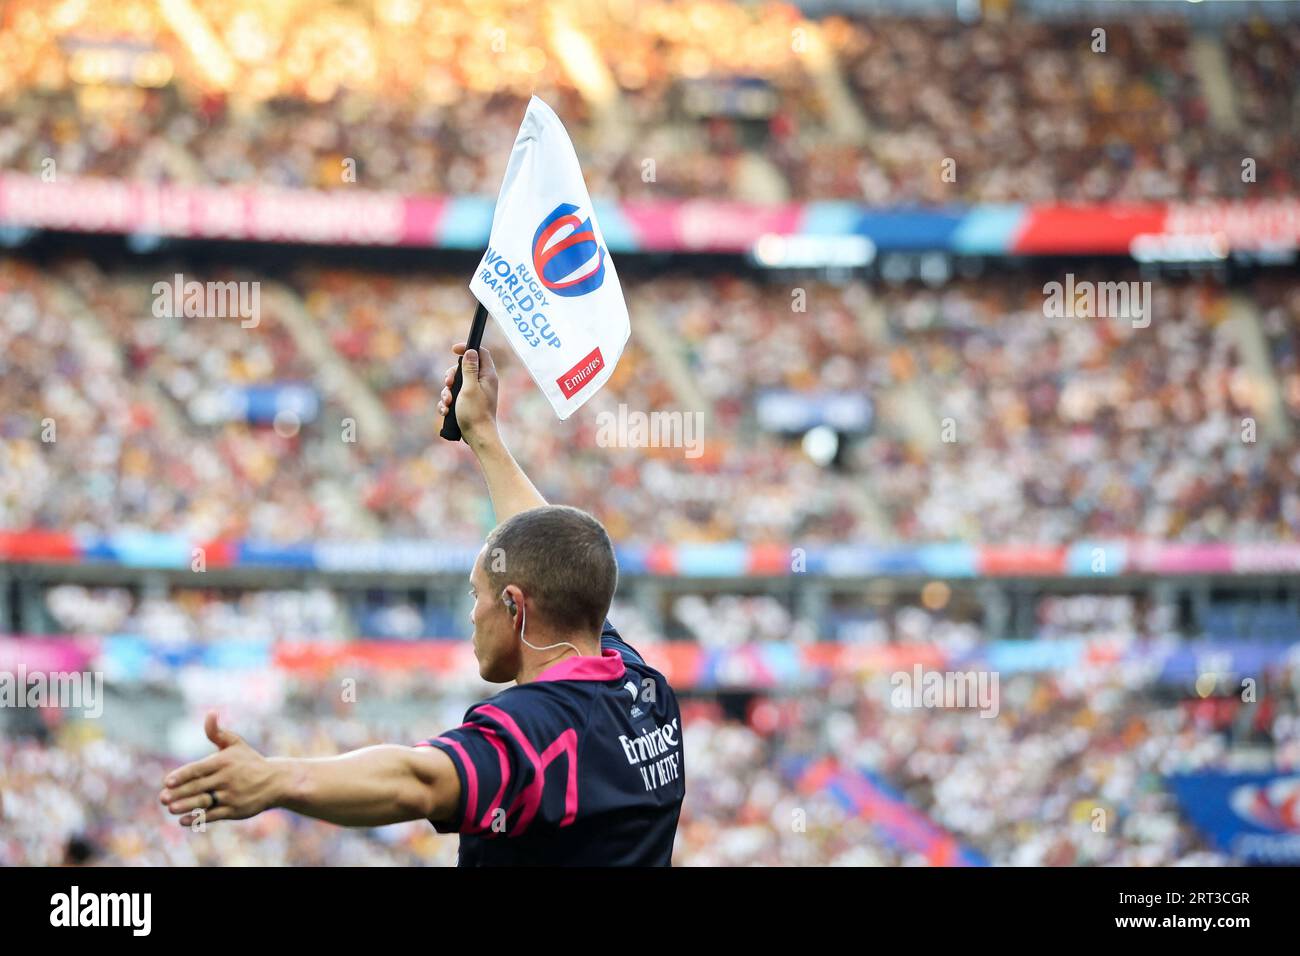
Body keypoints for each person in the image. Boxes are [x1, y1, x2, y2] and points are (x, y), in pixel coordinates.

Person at [158, 343, 685, 865]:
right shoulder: (644, 690)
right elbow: (558, 560)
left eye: (475, 596)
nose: (471, 615)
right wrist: (483, 435)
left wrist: (278, 779)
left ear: (514, 607)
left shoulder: (538, 732)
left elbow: (418, 781)